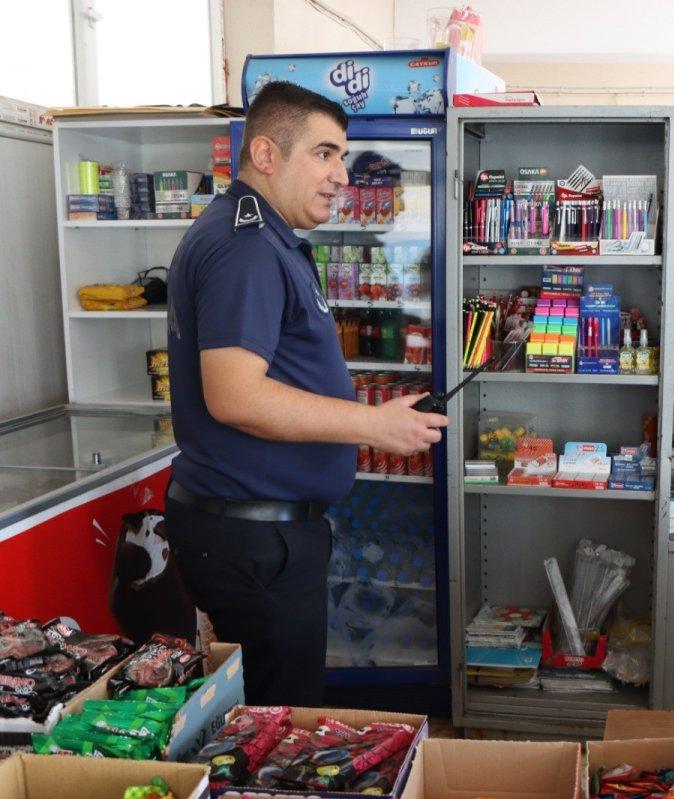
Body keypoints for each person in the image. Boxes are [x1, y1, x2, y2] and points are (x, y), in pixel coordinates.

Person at [165, 81, 448, 706]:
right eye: (324, 154)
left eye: (342, 157)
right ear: (266, 154)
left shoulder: (264, 238)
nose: (341, 175)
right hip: (253, 538)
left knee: (272, 709)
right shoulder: (244, 247)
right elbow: (235, 397)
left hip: (257, 531)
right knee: (278, 719)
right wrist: (373, 425)